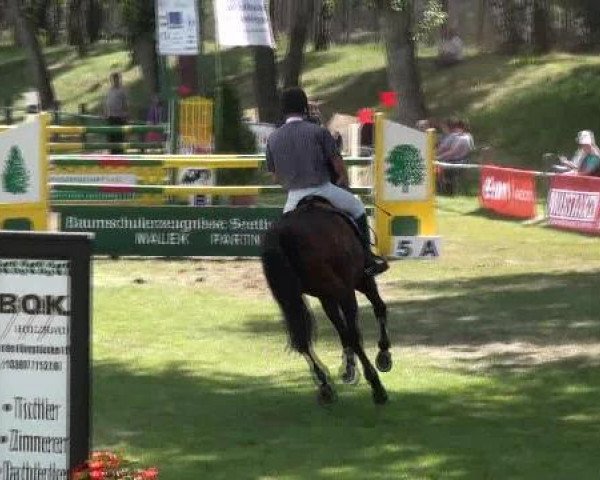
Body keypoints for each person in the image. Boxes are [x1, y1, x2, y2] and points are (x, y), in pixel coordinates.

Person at [266, 87, 388, 277]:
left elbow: (275, 176)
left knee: (283, 234)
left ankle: (286, 273)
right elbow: (338, 165)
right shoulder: (319, 132)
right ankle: (367, 259)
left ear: (283, 109)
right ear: (304, 107)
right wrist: (343, 183)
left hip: (294, 196)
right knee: (357, 208)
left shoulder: (273, 138)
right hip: (323, 188)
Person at [436, 118, 474, 194]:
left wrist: (438, 157)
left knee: (439, 166)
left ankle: (445, 189)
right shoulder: (464, 136)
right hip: (456, 160)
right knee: (438, 165)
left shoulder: (464, 138)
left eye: (455, 128)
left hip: (457, 162)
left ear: (460, 128)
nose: (454, 130)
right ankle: (441, 187)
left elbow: (452, 152)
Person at [104, 72, 128, 154]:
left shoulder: (122, 91)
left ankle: (120, 155)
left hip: (119, 117)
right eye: (113, 80)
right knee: (111, 137)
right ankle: (112, 154)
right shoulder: (109, 90)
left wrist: (125, 115)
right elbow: (107, 102)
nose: (114, 81)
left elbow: (125, 104)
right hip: (111, 117)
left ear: (119, 80)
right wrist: (106, 112)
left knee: (119, 138)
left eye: (116, 79)